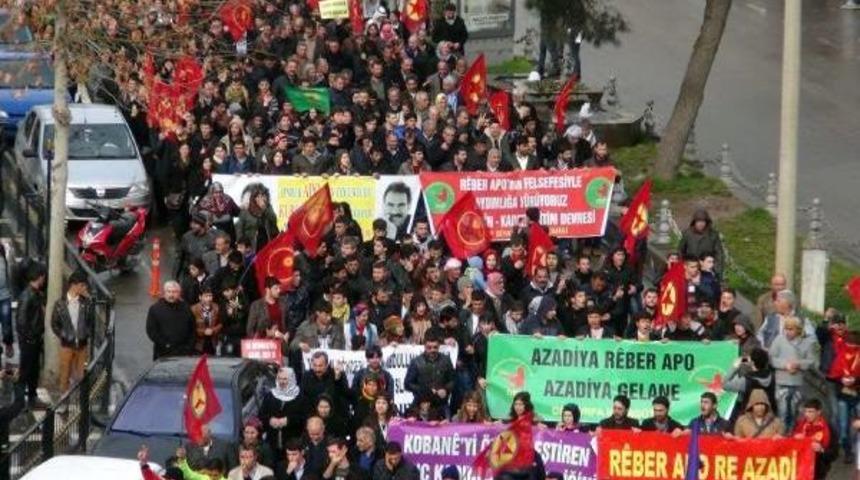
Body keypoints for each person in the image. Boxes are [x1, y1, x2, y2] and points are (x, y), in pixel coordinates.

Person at [769, 316, 819, 432]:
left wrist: (798, 364)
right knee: (782, 412)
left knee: (795, 412)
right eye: (786, 328)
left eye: (791, 329)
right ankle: (781, 438)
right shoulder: (779, 340)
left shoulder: (806, 342)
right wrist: (785, 365)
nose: (788, 331)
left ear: (798, 329)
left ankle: (792, 436)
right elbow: (771, 358)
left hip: (797, 383)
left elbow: (812, 361)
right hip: (781, 382)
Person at [51, 270, 95, 394]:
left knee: (81, 375)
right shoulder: (60, 304)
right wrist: (64, 335)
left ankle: (80, 403)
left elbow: (90, 321)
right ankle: (63, 401)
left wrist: (85, 334)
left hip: (82, 344)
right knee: (64, 374)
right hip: (66, 345)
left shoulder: (85, 303)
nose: (84, 288)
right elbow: (54, 324)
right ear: (74, 285)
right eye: (82, 285)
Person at [15, 264, 47, 408]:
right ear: (39, 277)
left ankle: (32, 398)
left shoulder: (35, 294)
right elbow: (21, 321)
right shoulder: (27, 296)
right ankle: (21, 401)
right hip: (29, 340)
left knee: (33, 370)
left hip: (35, 338)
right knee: (26, 371)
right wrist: (29, 337)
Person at [404, 330, 455, 412]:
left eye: (435, 347)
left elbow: (453, 380)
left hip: (441, 403)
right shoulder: (416, 362)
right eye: (429, 347)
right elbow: (407, 384)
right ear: (424, 346)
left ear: (439, 346)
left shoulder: (446, 360)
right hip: (421, 404)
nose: (432, 350)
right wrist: (427, 391)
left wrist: (445, 389)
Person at [724, 347, 777, 424]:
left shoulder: (746, 380)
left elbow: (725, 385)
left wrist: (735, 367)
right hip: (769, 416)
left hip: (750, 419)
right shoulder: (773, 377)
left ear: (752, 362)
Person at [260, 367, 306, 455]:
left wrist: (288, 421)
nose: (281, 382)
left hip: (292, 445)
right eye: (279, 378)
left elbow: (304, 417)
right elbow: (261, 414)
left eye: (285, 379)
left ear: (291, 379)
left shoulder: (300, 396)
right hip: (272, 443)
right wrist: (270, 420)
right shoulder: (270, 395)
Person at [146, 280, 195, 360]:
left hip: (184, 352)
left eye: (174, 292)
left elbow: (192, 328)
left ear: (179, 293)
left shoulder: (186, 308)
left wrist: (189, 347)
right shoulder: (155, 309)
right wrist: (165, 344)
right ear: (164, 292)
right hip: (163, 352)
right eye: (169, 291)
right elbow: (151, 331)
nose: (171, 295)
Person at [793, 398, 835, 480]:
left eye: (810, 412)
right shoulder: (800, 426)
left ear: (819, 412)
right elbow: (789, 444)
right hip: (800, 467)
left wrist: (821, 449)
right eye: (805, 411)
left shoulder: (828, 429)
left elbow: (834, 453)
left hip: (818, 468)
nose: (807, 415)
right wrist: (794, 439)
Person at [677, 208, 723, 277]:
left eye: (703, 221)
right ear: (694, 222)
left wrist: (716, 269)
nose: (701, 224)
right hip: (691, 267)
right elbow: (680, 250)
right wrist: (683, 265)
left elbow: (719, 253)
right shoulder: (688, 234)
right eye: (698, 221)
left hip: (707, 268)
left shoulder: (713, 235)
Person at [192, 286, 222, 355]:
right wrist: (203, 332)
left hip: (213, 342)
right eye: (206, 296)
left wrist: (213, 330)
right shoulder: (193, 309)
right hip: (198, 344)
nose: (209, 299)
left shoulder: (216, 307)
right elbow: (191, 328)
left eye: (210, 296)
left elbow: (221, 323)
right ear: (200, 297)